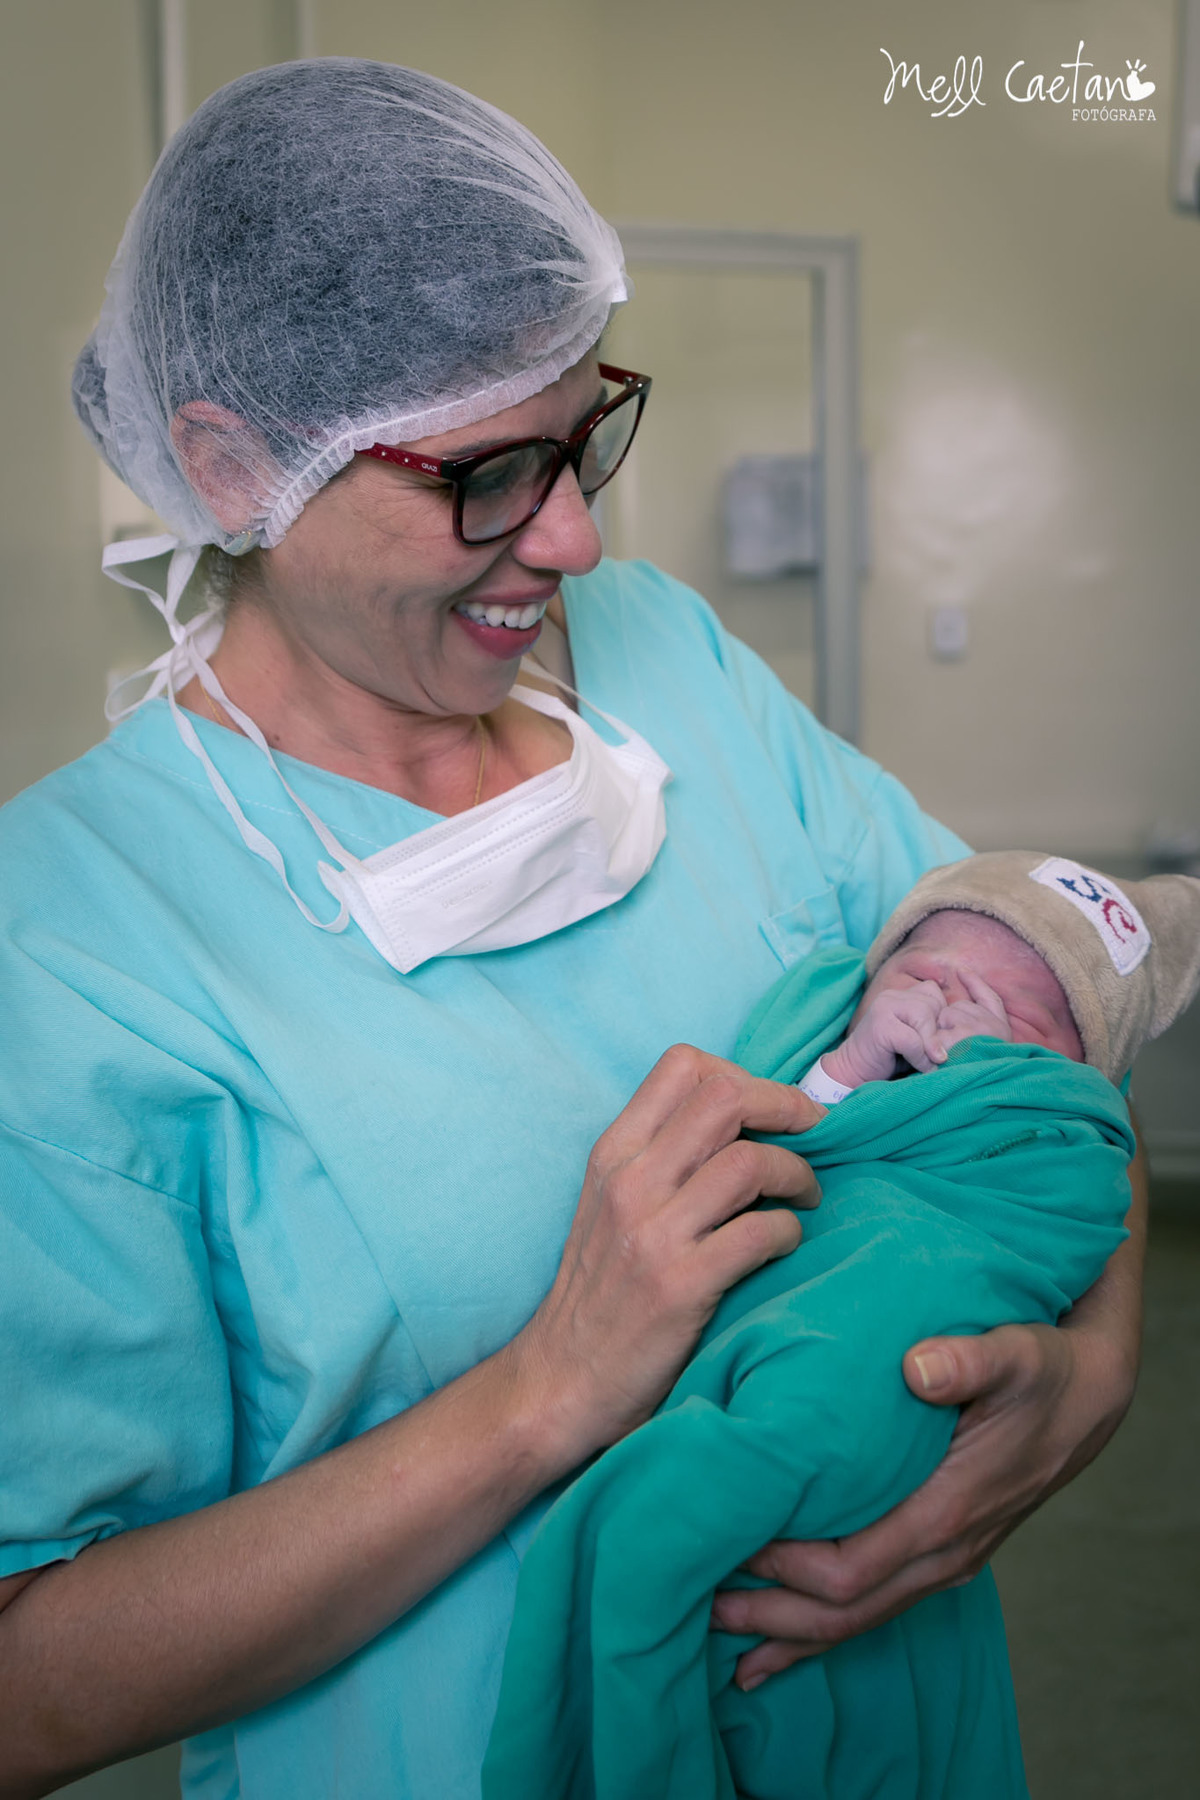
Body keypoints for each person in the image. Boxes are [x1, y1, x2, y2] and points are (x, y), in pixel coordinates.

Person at [0, 60, 1146, 1800]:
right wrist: (551, 1385)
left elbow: (1044, 1002)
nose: (578, 537)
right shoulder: (77, 939)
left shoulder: (670, 661)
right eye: (489, 474)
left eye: (589, 428)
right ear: (236, 468)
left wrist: (1093, 1372)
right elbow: (28, 1687)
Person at [482, 853, 1200, 1799]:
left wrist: (993, 1078)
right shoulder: (835, 1049)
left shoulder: (1054, 1129)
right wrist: (847, 1067)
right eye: (927, 973)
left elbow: (1081, 1182)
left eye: (1024, 1019)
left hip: (903, 1307)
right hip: (769, 1305)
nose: (957, 1005)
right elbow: (778, 1132)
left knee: (765, 1478)